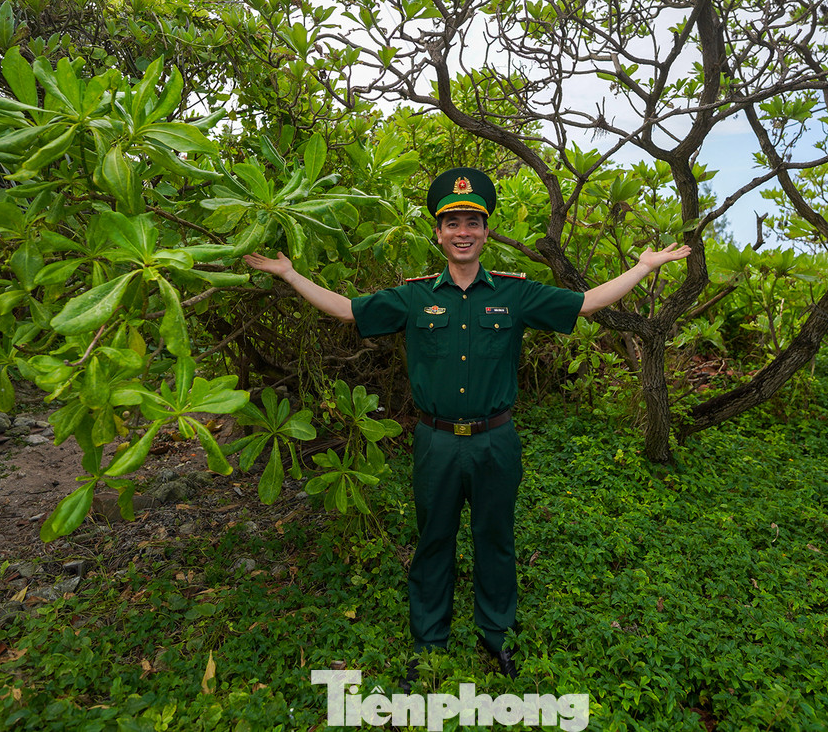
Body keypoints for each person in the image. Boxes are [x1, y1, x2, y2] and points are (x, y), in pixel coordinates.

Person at [244, 167, 689, 683]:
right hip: (435, 443)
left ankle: (497, 637)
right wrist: (291, 274)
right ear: (438, 233)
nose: (463, 232)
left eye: (472, 222)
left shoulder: (514, 294)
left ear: (485, 232)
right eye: (452, 223)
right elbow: (347, 310)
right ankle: (428, 644)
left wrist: (643, 266)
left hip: (495, 441)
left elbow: (586, 303)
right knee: (433, 541)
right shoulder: (414, 297)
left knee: (495, 540)